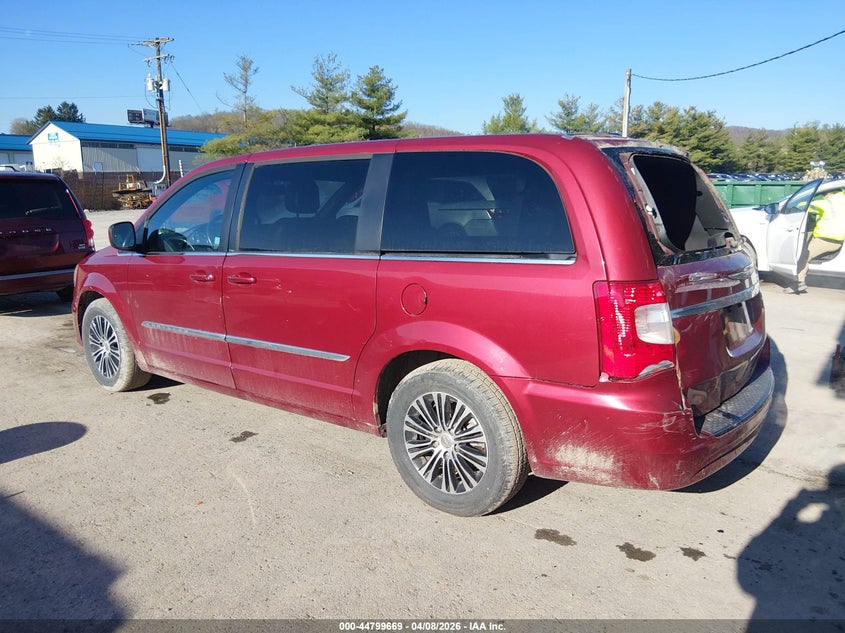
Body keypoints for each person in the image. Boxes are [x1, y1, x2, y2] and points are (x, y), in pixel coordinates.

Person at [786, 188, 845, 294]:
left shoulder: (827, 203)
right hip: (839, 239)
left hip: (826, 239)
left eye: (823, 195)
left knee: (803, 255)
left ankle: (798, 283)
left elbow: (803, 206)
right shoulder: (842, 200)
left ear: (829, 194)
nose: (823, 197)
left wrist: (793, 203)